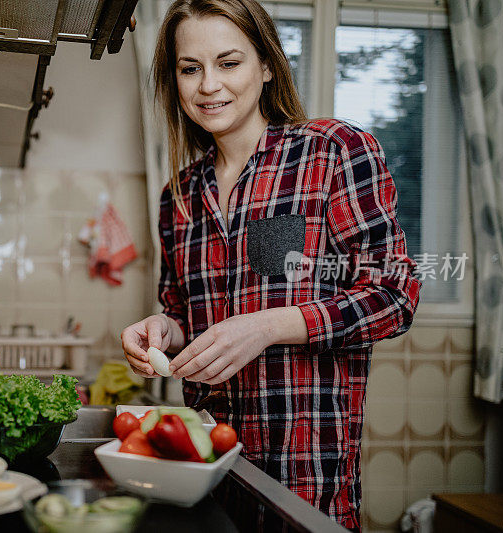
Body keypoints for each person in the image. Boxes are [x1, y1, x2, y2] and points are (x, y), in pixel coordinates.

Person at [120, 0, 421, 530]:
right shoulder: (178, 197)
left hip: (304, 482)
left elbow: (395, 295)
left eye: (228, 62)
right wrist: (161, 331)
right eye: (190, 68)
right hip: (206, 474)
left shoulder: (333, 153)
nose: (208, 84)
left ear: (266, 66)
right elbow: (182, 314)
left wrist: (270, 326)